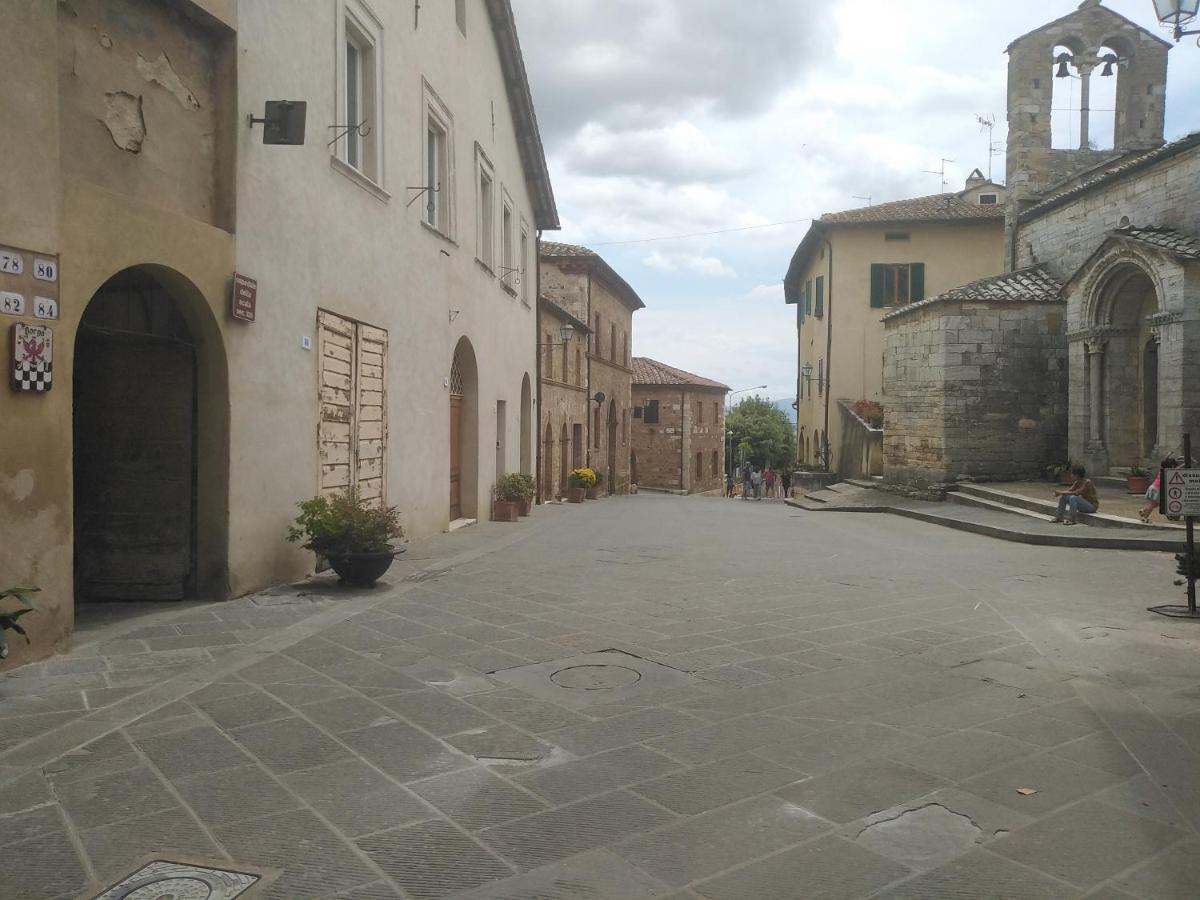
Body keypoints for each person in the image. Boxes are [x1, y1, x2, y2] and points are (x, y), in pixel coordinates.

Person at [1140, 457, 1180, 524]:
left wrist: (1168, 455)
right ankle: (1144, 518)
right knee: (1152, 505)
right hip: (1157, 489)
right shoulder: (1168, 472)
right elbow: (1177, 469)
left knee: (1154, 504)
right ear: (1172, 466)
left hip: (1153, 487)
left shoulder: (1162, 470)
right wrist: (1185, 464)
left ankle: (1143, 510)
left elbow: (1164, 462)